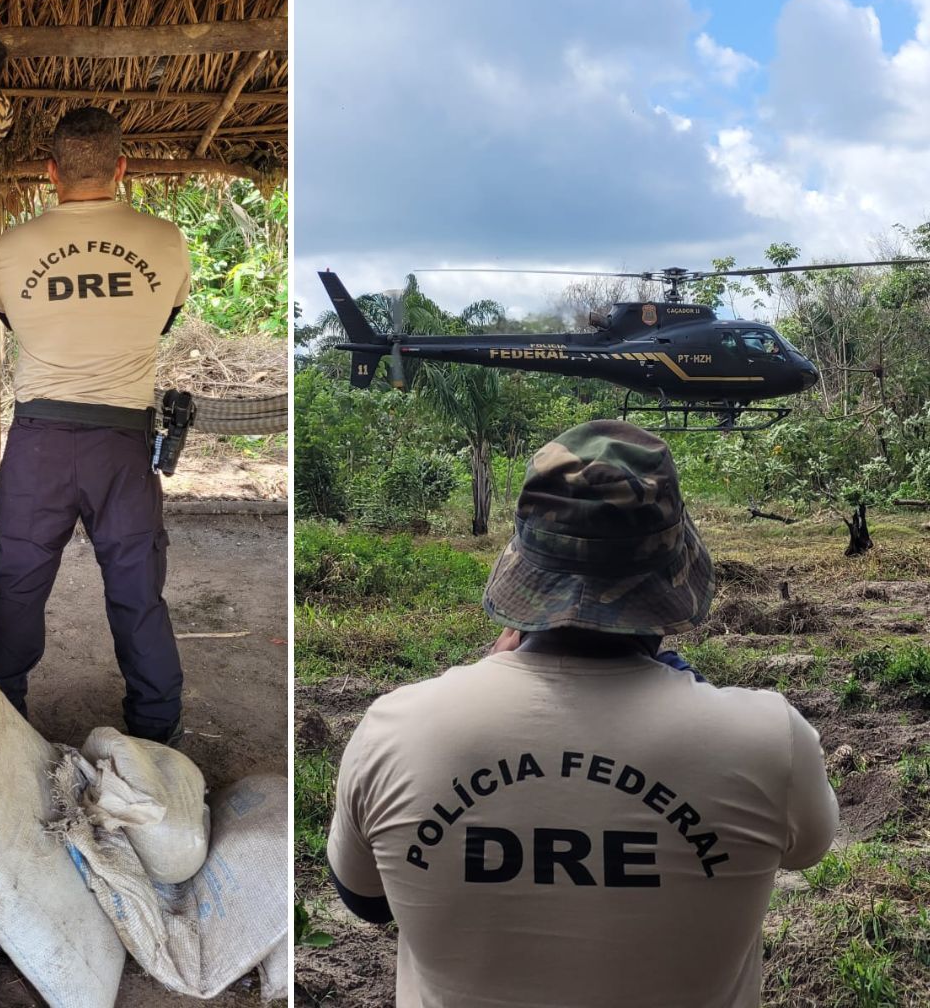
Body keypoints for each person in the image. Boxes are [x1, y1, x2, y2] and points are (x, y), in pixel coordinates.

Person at [326, 420, 838, 1008]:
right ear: (673, 570)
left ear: (526, 571)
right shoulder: (770, 741)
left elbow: (366, 900)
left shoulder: (397, 728)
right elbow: (809, 849)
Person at [0, 107, 193, 745]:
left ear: (50, 173)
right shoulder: (165, 240)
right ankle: (156, 734)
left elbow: (9, 319)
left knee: (17, 587)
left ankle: (1, 726)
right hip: (124, 444)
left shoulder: (13, 247)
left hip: (39, 442)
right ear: (120, 168)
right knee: (137, 593)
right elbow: (163, 319)